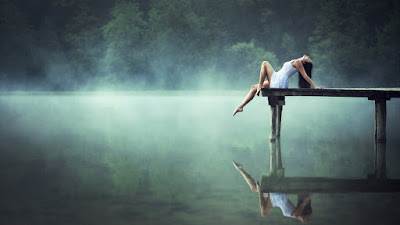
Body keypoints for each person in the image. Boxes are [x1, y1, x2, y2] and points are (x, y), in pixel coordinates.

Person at [232, 55, 323, 116]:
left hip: (279, 80)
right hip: (278, 78)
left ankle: (260, 85)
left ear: (305, 62)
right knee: (253, 88)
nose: (308, 56)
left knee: (265, 63)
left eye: (309, 59)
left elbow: (305, 76)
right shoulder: (297, 61)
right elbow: (301, 62)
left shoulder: (299, 63)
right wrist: (303, 57)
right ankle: (241, 107)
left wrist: (314, 87)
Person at [233, 160, 313, 222]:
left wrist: (260, 192)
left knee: (254, 189)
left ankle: (240, 169)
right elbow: (297, 214)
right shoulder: (296, 213)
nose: (306, 219)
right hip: (278, 196)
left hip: (274, 199)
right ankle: (242, 171)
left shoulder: (294, 213)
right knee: (263, 210)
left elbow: (298, 215)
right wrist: (305, 202)